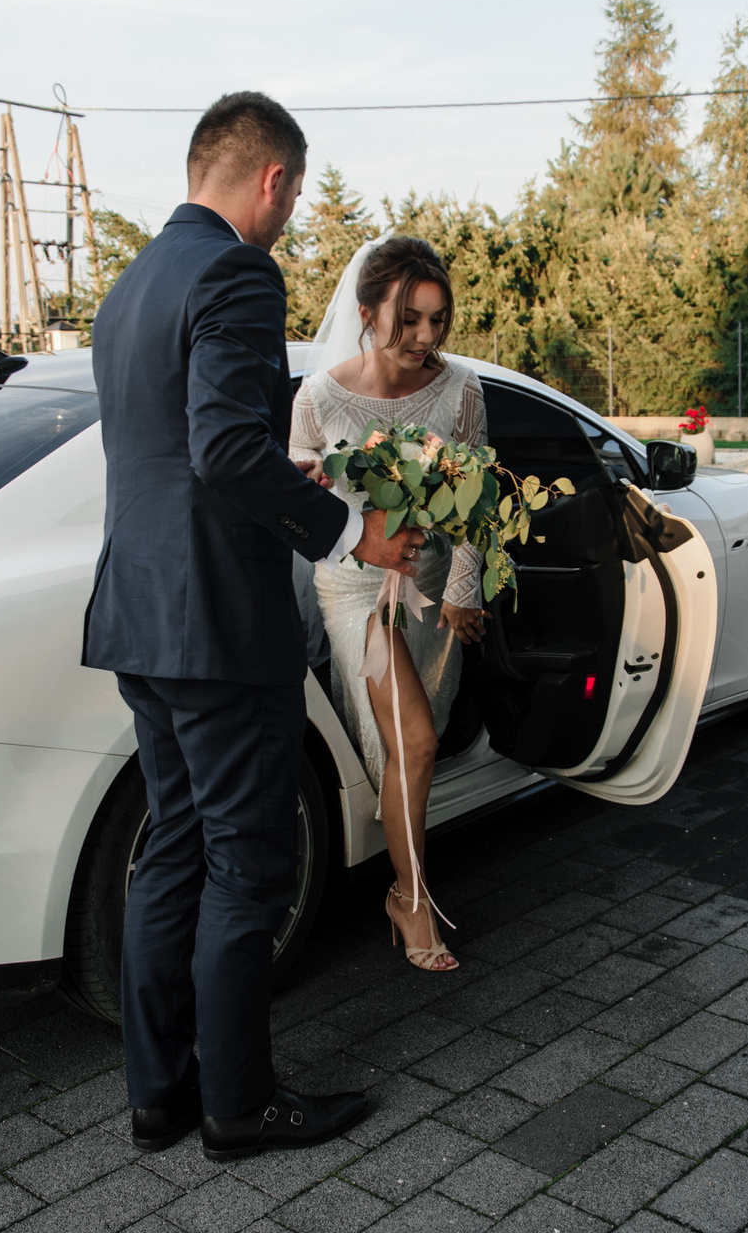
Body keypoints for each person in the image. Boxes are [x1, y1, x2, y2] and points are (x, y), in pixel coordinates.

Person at [84, 92, 420, 1162]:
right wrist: (354, 532)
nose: (291, 215)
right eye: (296, 193)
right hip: (220, 624)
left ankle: (159, 1095)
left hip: (141, 611)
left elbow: (183, 450)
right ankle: (238, 1103)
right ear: (272, 178)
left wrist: (283, 476)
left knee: (173, 847)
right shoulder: (236, 272)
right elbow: (226, 450)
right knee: (246, 863)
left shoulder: (132, 285)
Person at [289, 236, 488, 973]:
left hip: (431, 588)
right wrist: (307, 485)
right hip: (355, 589)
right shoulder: (318, 399)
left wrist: (463, 592)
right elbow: (297, 498)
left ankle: (403, 870)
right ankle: (410, 897)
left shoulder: (461, 389)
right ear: (367, 313)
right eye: (409, 319)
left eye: (437, 319)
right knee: (417, 742)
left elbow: (477, 500)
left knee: (415, 745)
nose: (426, 336)